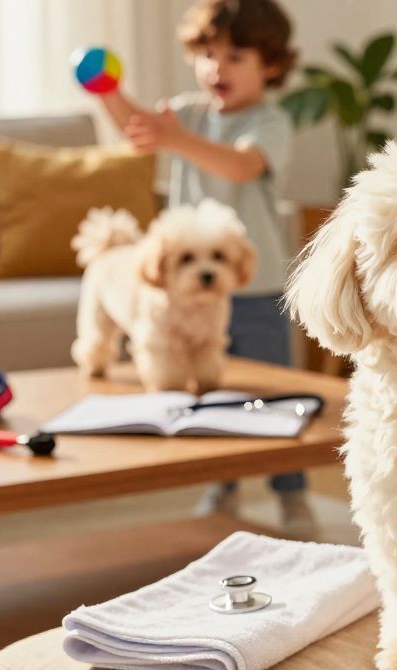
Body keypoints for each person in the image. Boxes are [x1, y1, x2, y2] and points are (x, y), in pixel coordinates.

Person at [95, 0, 317, 535]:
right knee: (207, 392)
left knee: (273, 397)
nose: (217, 67)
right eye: (208, 54)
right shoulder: (188, 115)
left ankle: (292, 494)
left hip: (256, 291)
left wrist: (176, 139)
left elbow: (241, 166)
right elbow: (139, 130)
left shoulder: (270, 121)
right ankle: (222, 488)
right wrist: (106, 91)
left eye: (235, 56)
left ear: (270, 64)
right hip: (185, 294)